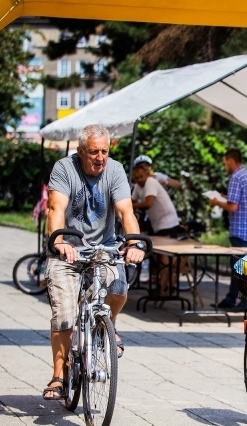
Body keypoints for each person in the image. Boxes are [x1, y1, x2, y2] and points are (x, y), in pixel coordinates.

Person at [42, 124, 145, 401]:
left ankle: (106, 324)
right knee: (64, 314)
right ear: (80, 151)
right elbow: (55, 208)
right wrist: (60, 240)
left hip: (103, 248)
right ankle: (59, 376)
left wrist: (134, 244)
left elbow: (126, 210)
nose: (100, 158)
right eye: (93, 152)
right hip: (67, 248)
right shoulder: (64, 168)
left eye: (104, 151)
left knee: (119, 288)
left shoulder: (115, 170)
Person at [209, 148, 247, 310]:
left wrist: (217, 202)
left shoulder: (236, 178)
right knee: (242, 266)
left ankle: (243, 302)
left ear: (231, 160)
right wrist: (223, 196)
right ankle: (231, 299)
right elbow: (243, 200)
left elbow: (233, 207)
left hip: (239, 229)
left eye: (225, 163)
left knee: (240, 268)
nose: (225, 167)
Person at [131, 155, 181, 237]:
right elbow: (131, 202)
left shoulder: (152, 180)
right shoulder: (138, 185)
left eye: (145, 166)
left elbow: (148, 204)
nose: (139, 179)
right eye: (137, 178)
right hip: (155, 221)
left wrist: (133, 205)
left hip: (167, 222)